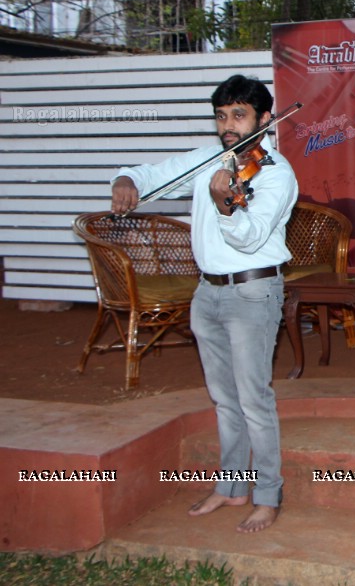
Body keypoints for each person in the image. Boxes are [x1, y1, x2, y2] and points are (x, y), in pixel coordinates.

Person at [110, 75, 297, 533]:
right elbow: (155, 173)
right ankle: (232, 487)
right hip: (207, 292)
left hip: (253, 292)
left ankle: (268, 495)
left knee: (254, 399)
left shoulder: (275, 173)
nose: (228, 126)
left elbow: (251, 238)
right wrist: (126, 179)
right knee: (224, 399)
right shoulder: (209, 159)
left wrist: (226, 205)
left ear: (264, 119)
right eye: (221, 116)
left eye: (239, 115)